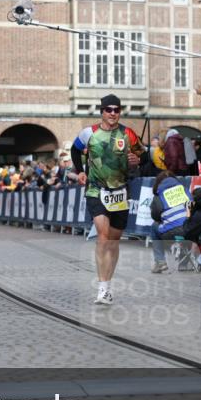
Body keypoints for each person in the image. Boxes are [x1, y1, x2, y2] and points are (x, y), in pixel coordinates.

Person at [72, 94, 144, 305]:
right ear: (102, 111)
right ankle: (102, 288)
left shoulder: (128, 134)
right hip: (96, 190)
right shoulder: (89, 133)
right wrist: (80, 171)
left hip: (120, 192)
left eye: (117, 110)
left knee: (113, 241)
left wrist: (137, 159)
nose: (113, 113)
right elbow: (75, 150)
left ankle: (108, 284)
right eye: (109, 109)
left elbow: (144, 154)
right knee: (103, 237)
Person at [148, 171, 194, 273]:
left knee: (154, 227)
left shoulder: (159, 195)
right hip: (188, 231)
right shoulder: (185, 190)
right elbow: (191, 209)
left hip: (170, 233)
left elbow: (155, 215)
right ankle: (183, 264)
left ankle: (160, 262)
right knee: (188, 226)